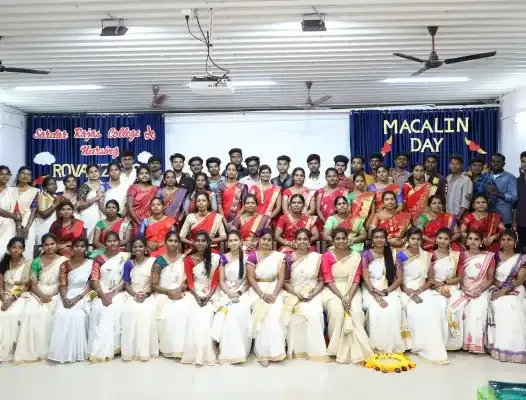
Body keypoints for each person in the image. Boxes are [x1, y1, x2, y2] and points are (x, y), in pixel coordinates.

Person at [13, 233, 68, 362]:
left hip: (56, 292)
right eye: (46, 244)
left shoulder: (63, 260)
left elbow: (64, 283)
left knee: (50, 313)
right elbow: (33, 284)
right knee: (29, 312)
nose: (49, 247)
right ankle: (33, 351)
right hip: (38, 291)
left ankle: (51, 350)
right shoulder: (36, 261)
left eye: (52, 244)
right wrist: (42, 296)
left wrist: (52, 294)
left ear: (56, 244)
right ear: (42, 246)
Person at [398, 228, 449, 365]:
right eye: (413, 238)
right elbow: (399, 280)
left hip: (423, 289)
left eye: (418, 239)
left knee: (432, 308)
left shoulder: (426, 256)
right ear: (408, 240)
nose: (415, 241)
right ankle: (418, 344)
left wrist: (420, 290)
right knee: (415, 309)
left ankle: (432, 347)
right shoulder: (400, 255)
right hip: (405, 290)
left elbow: (430, 280)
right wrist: (409, 292)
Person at [321, 228, 373, 363]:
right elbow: (328, 279)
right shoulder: (327, 256)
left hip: (352, 289)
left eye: (343, 238)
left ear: (348, 239)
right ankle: (336, 349)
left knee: (356, 311)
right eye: (337, 239)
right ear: (333, 241)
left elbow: (356, 279)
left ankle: (358, 348)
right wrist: (342, 297)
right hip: (333, 290)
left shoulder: (356, 256)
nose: (341, 241)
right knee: (337, 311)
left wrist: (349, 296)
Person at [282, 229, 328, 361]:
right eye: (299, 239)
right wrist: (296, 293)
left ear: (309, 241)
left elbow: (321, 280)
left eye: (305, 239)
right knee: (293, 315)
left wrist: (314, 293)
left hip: (313, 291)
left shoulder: (317, 257)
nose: (302, 241)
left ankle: (315, 350)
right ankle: (298, 350)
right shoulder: (288, 258)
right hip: (294, 291)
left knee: (314, 312)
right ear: (295, 241)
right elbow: (285, 282)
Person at [47, 237, 92, 363]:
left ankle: (77, 352)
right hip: (67, 293)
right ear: (72, 248)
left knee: (78, 315)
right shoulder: (65, 265)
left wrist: (77, 298)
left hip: (85, 294)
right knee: (61, 313)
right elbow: (63, 285)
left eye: (82, 246)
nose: (79, 249)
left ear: (86, 248)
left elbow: (91, 285)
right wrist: (65, 298)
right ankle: (62, 352)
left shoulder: (91, 263)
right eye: (76, 246)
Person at [88, 231, 131, 362]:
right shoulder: (98, 259)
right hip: (101, 291)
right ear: (105, 243)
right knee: (98, 309)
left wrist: (113, 293)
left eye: (115, 240)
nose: (112, 243)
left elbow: (126, 280)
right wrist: (102, 296)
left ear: (119, 242)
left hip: (119, 291)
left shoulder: (125, 256)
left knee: (113, 309)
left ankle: (113, 347)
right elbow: (94, 280)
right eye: (109, 241)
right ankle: (97, 347)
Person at [246, 228, 286, 367]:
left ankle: (276, 351)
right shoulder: (252, 256)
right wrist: (262, 295)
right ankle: (263, 352)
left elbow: (281, 278)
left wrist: (274, 294)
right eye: (264, 239)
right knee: (262, 314)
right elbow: (251, 278)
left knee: (275, 312)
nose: (266, 242)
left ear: (273, 241)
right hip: (257, 290)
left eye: (269, 240)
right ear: (259, 240)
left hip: (275, 289)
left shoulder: (279, 256)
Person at [361, 228, 405, 353]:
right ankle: (377, 346)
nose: (379, 240)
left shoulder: (395, 254)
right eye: (376, 237)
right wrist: (377, 297)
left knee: (394, 309)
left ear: (386, 240)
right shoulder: (366, 255)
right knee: (375, 310)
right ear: (372, 240)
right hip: (371, 288)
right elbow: (366, 278)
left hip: (389, 288)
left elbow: (399, 278)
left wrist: (386, 292)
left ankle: (392, 345)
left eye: (382, 237)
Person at [452, 230, 495, 354]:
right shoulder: (460, 255)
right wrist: (464, 289)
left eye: (476, 239)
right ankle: (459, 343)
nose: (473, 242)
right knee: (459, 308)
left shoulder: (488, 257)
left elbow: (490, 279)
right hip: (463, 288)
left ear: (481, 242)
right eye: (470, 238)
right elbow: (458, 275)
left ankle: (475, 343)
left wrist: (479, 290)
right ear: (466, 241)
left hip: (482, 288)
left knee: (478, 308)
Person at [181, 230, 221, 365]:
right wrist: (197, 296)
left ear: (208, 242)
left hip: (212, 292)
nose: (200, 243)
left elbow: (215, 280)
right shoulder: (188, 259)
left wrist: (208, 296)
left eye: (203, 241)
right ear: (194, 242)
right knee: (195, 312)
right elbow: (190, 282)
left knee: (207, 313)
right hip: (195, 292)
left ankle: (207, 351)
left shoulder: (215, 258)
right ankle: (195, 352)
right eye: (197, 241)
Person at [487, 230, 526, 363]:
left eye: (509, 239)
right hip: (496, 285)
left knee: (512, 305)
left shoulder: (522, 258)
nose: (506, 242)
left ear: (515, 242)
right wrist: (500, 287)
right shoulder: (494, 256)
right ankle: (499, 345)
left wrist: (505, 290)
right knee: (499, 305)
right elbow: (491, 277)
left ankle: (515, 348)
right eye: (503, 239)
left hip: (515, 287)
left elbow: (520, 279)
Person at [214, 230, 252, 364]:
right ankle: (227, 351)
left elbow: (248, 281)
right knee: (227, 314)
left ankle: (241, 350)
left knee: (241, 311)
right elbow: (221, 280)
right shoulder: (223, 258)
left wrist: (239, 293)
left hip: (243, 292)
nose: (233, 243)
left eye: (236, 240)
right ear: (227, 243)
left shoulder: (247, 257)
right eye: (231, 240)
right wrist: (229, 293)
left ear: (241, 242)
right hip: (226, 291)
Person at [151, 231, 189, 360]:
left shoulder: (184, 259)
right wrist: (168, 292)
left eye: (176, 241)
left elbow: (188, 281)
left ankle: (182, 348)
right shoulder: (159, 261)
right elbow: (153, 285)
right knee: (168, 313)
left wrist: (179, 290)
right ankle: (168, 348)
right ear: (165, 243)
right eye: (170, 241)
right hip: (163, 293)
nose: (173, 243)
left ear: (179, 243)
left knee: (185, 309)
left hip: (181, 292)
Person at [121, 237, 159, 361]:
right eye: (135, 247)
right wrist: (135, 294)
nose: (138, 249)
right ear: (132, 249)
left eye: (141, 246)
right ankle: (131, 350)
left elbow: (155, 283)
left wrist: (146, 294)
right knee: (130, 310)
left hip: (149, 293)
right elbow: (126, 284)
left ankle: (146, 350)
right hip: (132, 293)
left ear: (146, 248)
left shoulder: (153, 262)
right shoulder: (128, 264)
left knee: (147, 310)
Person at [429, 228, 465, 350]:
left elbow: (460, 276)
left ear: (450, 241)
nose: (442, 241)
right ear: (436, 239)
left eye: (446, 239)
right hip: (434, 288)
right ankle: (437, 341)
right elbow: (428, 278)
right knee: (437, 305)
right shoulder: (430, 255)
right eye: (440, 238)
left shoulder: (456, 255)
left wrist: (444, 283)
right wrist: (439, 288)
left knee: (455, 303)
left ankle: (452, 343)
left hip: (451, 286)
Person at [0, 237, 31, 362]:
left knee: (13, 313)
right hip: (4, 294)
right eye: (14, 247)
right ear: (9, 248)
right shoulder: (4, 263)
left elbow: (27, 286)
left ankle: (11, 347)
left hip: (20, 295)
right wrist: (3, 298)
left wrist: (12, 298)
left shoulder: (27, 263)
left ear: (23, 249)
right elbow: (1, 285)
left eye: (20, 248)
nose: (16, 250)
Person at [485, 153, 517, 227]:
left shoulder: (510, 178)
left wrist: (496, 193)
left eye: (499, 162)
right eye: (493, 161)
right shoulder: (485, 175)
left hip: (504, 217)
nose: (496, 164)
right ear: (490, 162)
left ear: (503, 164)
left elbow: (514, 197)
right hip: (487, 216)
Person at [13, 166, 39, 259]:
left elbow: (34, 210)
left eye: (28, 174)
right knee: (13, 247)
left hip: (28, 222)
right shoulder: (10, 190)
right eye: (23, 173)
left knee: (27, 249)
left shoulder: (34, 191)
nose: (26, 176)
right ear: (18, 176)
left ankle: (27, 268)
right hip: (11, 222)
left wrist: (27, 227)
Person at [126, 166, 158, 235]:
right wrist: (138, 221)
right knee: (138, 240)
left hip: (152, 221)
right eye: (141, 173)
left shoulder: (156, 189)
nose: (144, 175)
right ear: (137, 176)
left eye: (146, 173)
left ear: (149, 175)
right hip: (135, 221)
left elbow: (159, 205)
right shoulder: (133, 188)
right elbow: (129, 206)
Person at [77, 164, 104, 242]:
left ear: (99, 172)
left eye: (96, 171)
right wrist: (95, 198)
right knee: (87, 241)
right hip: (88, 217)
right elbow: (80, 206)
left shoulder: (104, 186)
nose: (94, 173)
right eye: (91, 172)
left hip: (103, 216)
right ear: (87, 174)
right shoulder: (84, 187)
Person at [0, 166, 20, 260]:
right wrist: (13, 216)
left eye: (7, 174)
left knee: (6, 252)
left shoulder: (13, 191)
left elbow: (16, 209)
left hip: (9, 226)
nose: (4, 176)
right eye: (1, 174)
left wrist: (18, 228)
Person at [446, 155, 473, 220]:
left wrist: (459, 216)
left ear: (461, 166)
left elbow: (466, 201)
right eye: (452, 163)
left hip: (460, 216)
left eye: (457, 164)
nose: (454, 166)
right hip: (447, 215)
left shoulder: (466, 180)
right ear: (449, 165)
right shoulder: (447, 178)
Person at [35, 176, 59, 245]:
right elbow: (44, 215)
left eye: (54, 183)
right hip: (43, 226)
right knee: (44, 247)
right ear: (45, 188)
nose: (54, 186)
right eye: (50, 184)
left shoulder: (55, 196)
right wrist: (55, 204)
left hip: (54, 227)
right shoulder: (42, 196)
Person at [515, 151, 526, 247]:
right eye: (523, 161)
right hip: (521, 220)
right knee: (522, 246)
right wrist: (514, 220)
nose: (524, 164)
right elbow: (516, 203)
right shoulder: (518, 180)